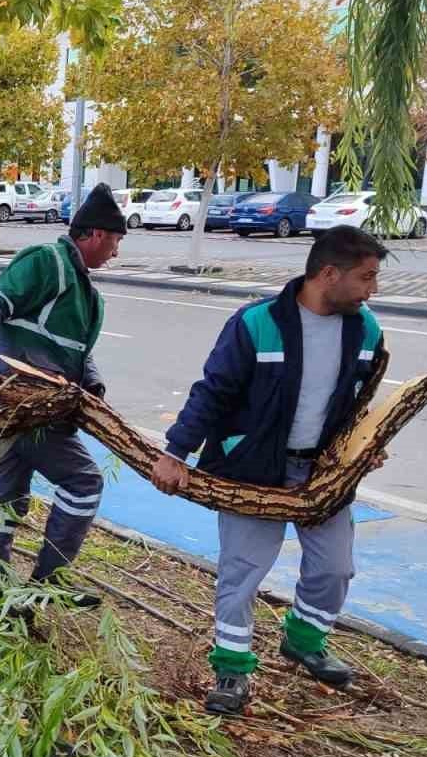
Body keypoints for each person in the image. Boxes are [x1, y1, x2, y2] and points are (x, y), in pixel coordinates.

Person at [151, 225, 388, 715]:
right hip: (253, 468)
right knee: (242, 572)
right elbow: (212, 392)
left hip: (323, 472)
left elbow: (360, 400)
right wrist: (175, 452)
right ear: (328, 274)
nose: (372, 289)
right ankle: (232, 670)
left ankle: (304, 638)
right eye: (365, 277)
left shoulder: (365, 329)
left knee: (335, 566)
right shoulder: (256, 324)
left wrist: (367, 446)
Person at [0, 182, 126, 608]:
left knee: (5, 502)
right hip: (18, 404)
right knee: (84, 481)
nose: (116, 253)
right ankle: (44, 585)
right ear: (96, 235)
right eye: (114, 242)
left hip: (35, 411)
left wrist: (94, 385)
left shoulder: (88, 295)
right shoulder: (48, 262)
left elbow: (74, 353)